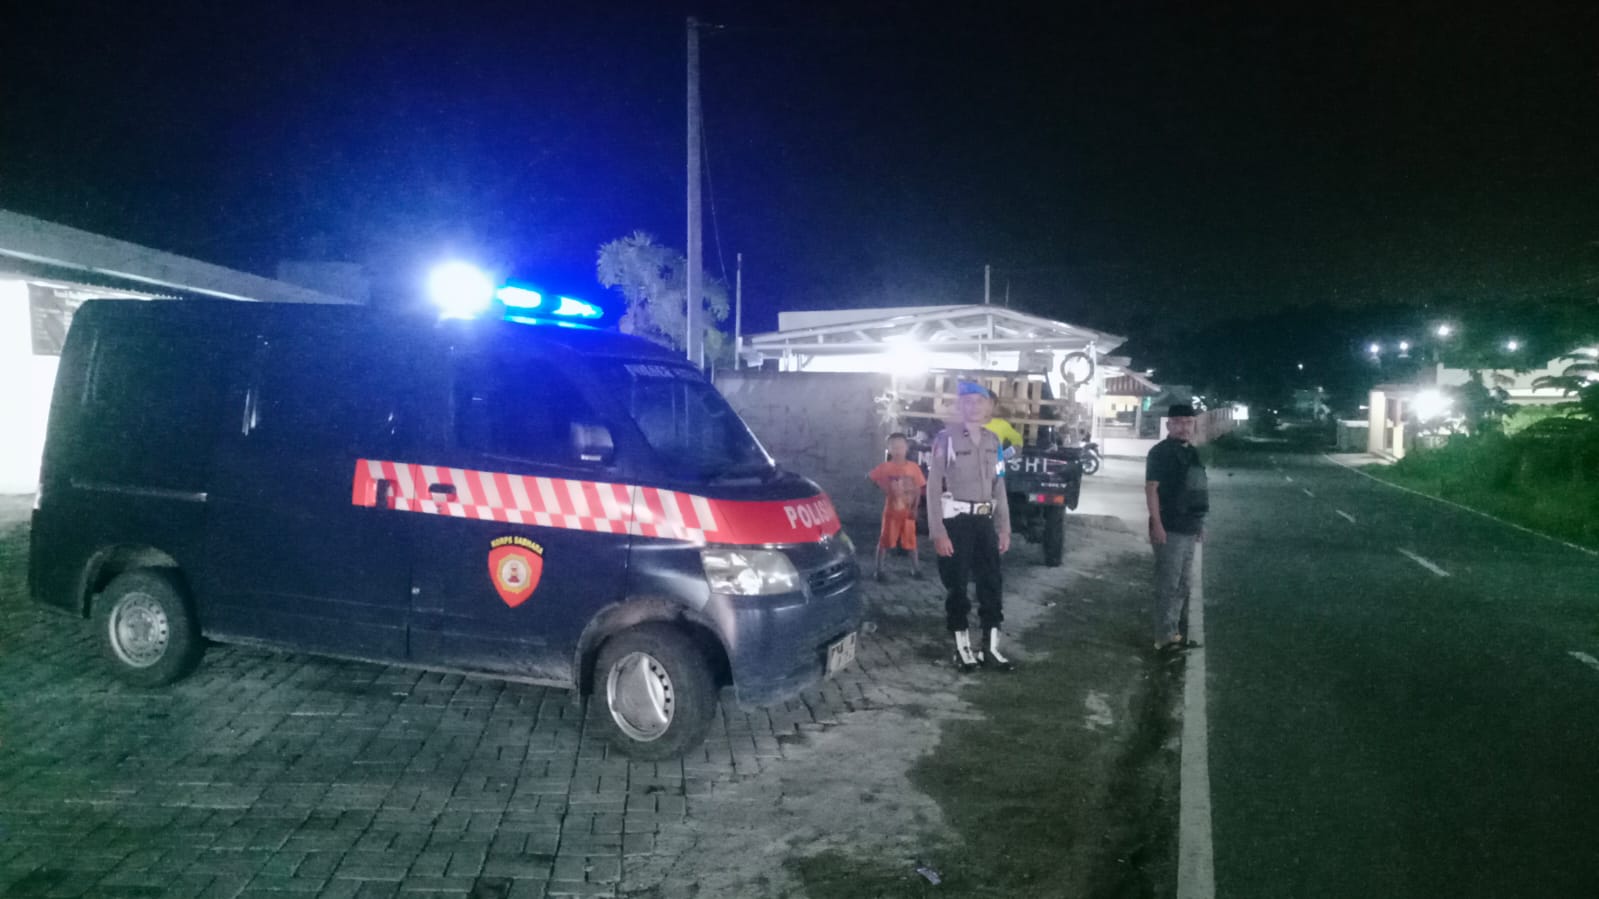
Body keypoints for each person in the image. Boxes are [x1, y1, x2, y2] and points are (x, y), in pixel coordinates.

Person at [928, 380, 1014, 672]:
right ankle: (962, 648)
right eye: (967, 402)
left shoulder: (993, 441)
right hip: (956, 522)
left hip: (984, 521)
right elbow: (932, 487)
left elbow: (999, 485)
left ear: (989, 406)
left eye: (979, 401)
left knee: (992, 583)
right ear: (960, 406)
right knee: (958, 585)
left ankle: (990, 648)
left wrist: (1004, 528)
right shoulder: (946, 440)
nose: (974, 407)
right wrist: (938, 531)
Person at [1145, 403, 1209, 652]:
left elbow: (1197, 489)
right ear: (1169, 425)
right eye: (1179, 422)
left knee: (1183, 584)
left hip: (1189, 526)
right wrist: (1157, 524)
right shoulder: (1160, 453)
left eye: (1188, 422)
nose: (1184, 427)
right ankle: (1163, 637)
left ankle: (1173, 633)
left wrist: (1199, 523)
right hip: (1169, 527)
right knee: (1168, 584)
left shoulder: (1192, 452)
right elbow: (1151, 489)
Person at [868, 433, 927, 581]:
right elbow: (871, 477)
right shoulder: (885, 467)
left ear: (907, 448)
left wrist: (915, 508)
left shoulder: (913, 468)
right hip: (891, 513)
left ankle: (916, 569)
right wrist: (884, 487)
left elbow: (918, 489)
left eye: (900, 446)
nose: (898, 450)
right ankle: (879, 570)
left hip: (908, 513)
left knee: (911, 541)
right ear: (888, 449)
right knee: (885, 541)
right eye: (894, 447)